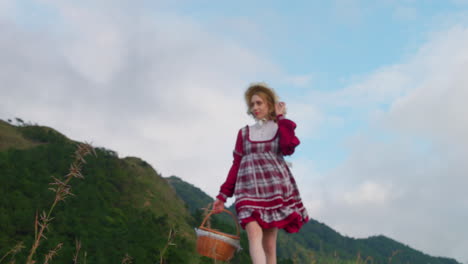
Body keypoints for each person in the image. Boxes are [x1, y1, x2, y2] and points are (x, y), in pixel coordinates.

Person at [212, 83, 309, 264]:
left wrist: (281, 118)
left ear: (269, 105)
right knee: (253, 232)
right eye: (252, 104)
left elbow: (288, 148)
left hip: (274, 188)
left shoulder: (280, 128)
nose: (255, 107)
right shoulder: (243, 133)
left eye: (259, 103)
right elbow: (236, 164)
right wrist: (223, 195)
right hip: (247, 188)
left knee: (270, 245)